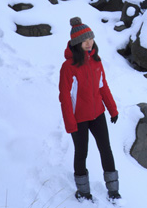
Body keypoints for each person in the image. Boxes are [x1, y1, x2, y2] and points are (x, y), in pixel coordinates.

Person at [59, 17, 121, 202]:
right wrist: (70, 123)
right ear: (77, 43)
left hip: (97, 114)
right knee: (81, 153)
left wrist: (112, 109)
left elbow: (103, 87)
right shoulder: (68, 67)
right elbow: (65, 97)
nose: (89, 42)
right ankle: (83, 192)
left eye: (91, 39)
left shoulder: (96, 61)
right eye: (85, 40)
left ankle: (114, 190)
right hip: (79, 118)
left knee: (106, 149)